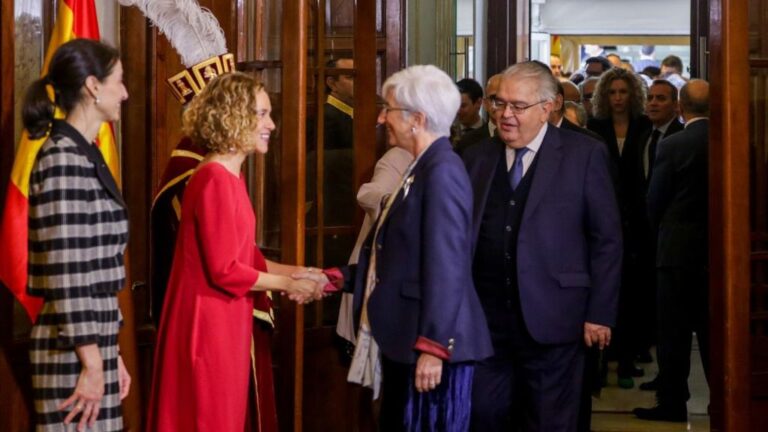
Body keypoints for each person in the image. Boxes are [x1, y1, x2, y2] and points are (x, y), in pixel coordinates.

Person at [302, 65, 493, 431]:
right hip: (409, 340)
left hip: (431, 350)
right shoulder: (420, 167)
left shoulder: (443, 172)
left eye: (388, 109)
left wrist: (434, 345)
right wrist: (339, 278)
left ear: (416, 119)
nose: (380, 118)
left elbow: (448, 265)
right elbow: (399, 257)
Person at [146, 72, 321, 432]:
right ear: (231, 115)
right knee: (210, 420)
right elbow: (226, 270)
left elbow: (247, 257)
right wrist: (290, 285)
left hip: (225, 317)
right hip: (208, 324)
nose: (271, 124)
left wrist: (298, 273)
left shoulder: (229, 176)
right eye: (261, 114)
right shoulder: (214, 179)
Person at [464, 61, 621, 431]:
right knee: (484, 416)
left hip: (556, 321)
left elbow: (607, 240)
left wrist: (600, 312)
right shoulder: (475, 157)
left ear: (546, 108)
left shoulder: (584, 155)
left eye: (518, 106)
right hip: (486, 323)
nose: (505, 115)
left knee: (549, 422)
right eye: (499, 103)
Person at [23, 38, 131, 432]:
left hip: (91, 343)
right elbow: (69, 273)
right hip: (71, 350)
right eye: (119, 81)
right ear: (92, 86)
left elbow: (96, 270)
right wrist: (91, 361)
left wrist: (110, 355)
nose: (125, 92)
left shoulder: (83, 151)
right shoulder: (63, 159)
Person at [635, 80, 711, 422]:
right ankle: (721, 400)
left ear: (680, 106)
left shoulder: (674, 145)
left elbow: (655, 200)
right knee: (712, 331)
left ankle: (672, 402)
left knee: (673, 332)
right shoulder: (731, 139)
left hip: (676, 251)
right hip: (718, 253)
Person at [587, 67, 652, 388]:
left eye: (623, 92)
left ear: (632, 95)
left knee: (633, 294)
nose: (617, 98)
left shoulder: (644, 126)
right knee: (605, 291)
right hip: (605, 214)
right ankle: (601, 365)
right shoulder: (595, 127)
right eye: (611, 92)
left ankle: (626, 361)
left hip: (639, 220)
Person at [453, 78, 490, 155]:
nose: (458, 111)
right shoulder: (447, 134)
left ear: (478, 103)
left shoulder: (490, 134)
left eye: (463, 106)